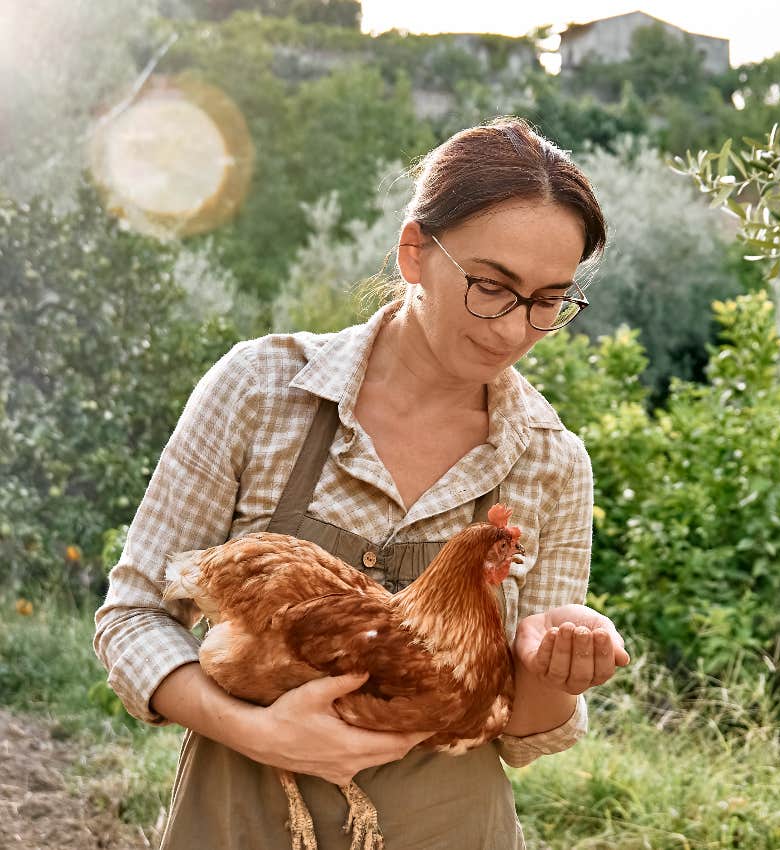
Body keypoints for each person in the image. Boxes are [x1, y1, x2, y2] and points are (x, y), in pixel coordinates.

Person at [93, 116, 629, 850]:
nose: (513, 330)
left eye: (547, 301)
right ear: (415, 252)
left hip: (445, 827)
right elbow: (133, 619)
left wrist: (555, 669)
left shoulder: (550, 460)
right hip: (239, 819)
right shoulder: (261, 389)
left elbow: (524, 736)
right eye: (491, 286)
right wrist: (257, 731)